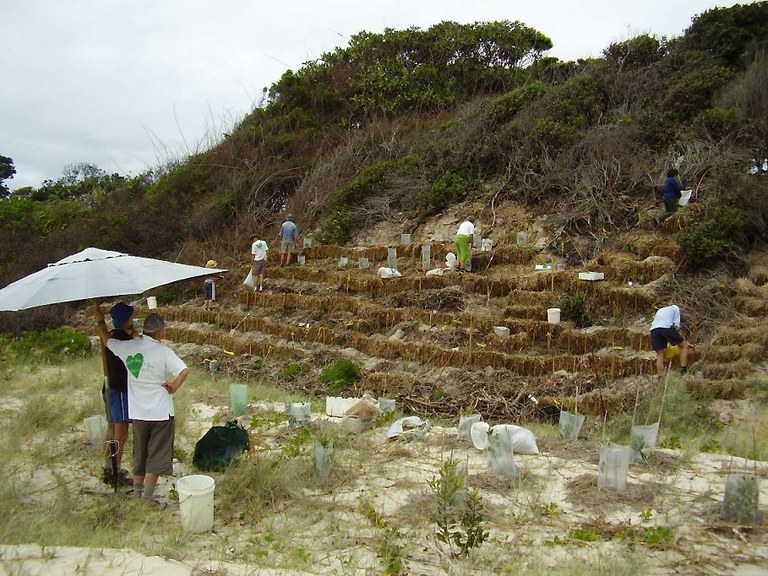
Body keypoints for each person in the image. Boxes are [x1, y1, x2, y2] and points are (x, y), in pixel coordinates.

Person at [94, 307, 189, 504]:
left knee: (140, 453)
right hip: (160, 412)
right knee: (156, 454)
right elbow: (183, 370)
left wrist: (100, 323)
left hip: (138, 412)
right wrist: (174, 386)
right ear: (161, 333)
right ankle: (146, 498)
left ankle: (138, 493)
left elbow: (107, 341)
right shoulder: (163, 351)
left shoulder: (129, 347)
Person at [101, 302, 136, 486]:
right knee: (120, 432)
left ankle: (109, 467)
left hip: (109, 387)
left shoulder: (110, 336)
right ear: (126, 319)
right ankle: (115, 472)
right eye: (131, 317)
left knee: (112, 428)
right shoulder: (123, 340)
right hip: (119, 390)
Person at [650, 304, 689, 377]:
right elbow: (676, 326)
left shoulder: (660, 310)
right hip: (666, 327)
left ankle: (660, 378)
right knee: (684, 345)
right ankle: (683, 371)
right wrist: (680, 339)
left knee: (659, 354)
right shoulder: (676, 309)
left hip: (654, 330)